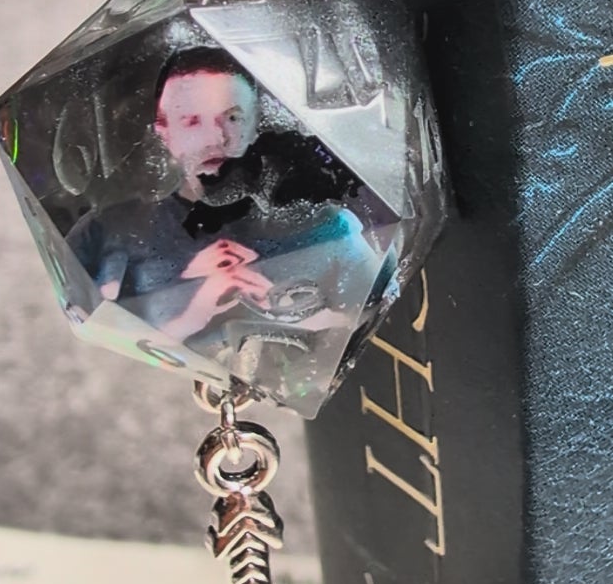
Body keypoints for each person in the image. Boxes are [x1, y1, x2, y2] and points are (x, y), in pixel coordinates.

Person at [67, 45, 386, 375]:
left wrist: (296, 314)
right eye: (192, 121)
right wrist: (193, 307)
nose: (216, 137)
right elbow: (91, 350)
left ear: (254, 125)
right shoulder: (106, 233)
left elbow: (380, 319)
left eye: (232, 118)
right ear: (164, 133)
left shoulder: (327, 229)